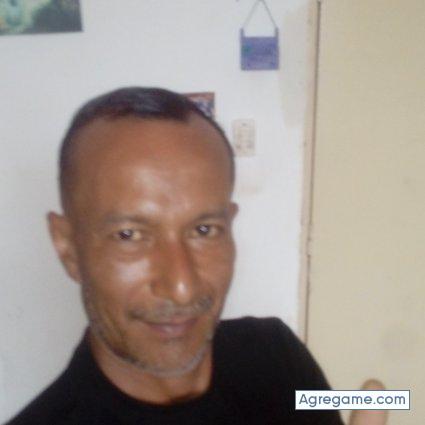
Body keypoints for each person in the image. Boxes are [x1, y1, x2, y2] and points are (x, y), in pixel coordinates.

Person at [5, 87, 382, 425]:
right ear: (68, 247)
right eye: (129, 235)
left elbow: (325, 402)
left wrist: (388, 397)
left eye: (204, 230)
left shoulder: (273, 353)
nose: (182, 288)